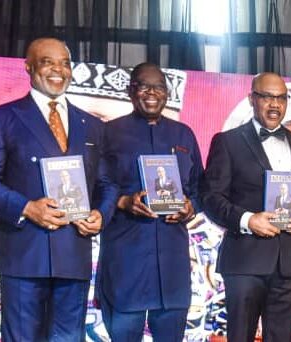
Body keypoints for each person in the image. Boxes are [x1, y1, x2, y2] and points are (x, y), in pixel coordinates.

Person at [0, 37, 117, 341]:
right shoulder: (3, 117)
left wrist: (101, 214)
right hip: (24, 252)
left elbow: (107, 183)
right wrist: (25, 207)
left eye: (65, 63)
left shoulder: (91, 124)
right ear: (29, 66)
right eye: (48, 62)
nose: (58, 70)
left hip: (73, 254)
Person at [201, 72, 291, 342]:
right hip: (244, 261)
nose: (274, 104)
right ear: (252, 99)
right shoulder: (227, 141)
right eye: (266, 96)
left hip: (289, 264)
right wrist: (247, 220)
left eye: (280, 98)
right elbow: (211, 197)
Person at [98, 62, 203, 342]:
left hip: (172, 265)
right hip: (126, 261)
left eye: (158, 87)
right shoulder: (108, 134)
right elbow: (94, 187)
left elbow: (200, 187)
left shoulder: (184, 135)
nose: (151, 93)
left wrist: (191, 205)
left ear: (167, 93)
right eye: (143, 86)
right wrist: (122, 201)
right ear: (131, 91)